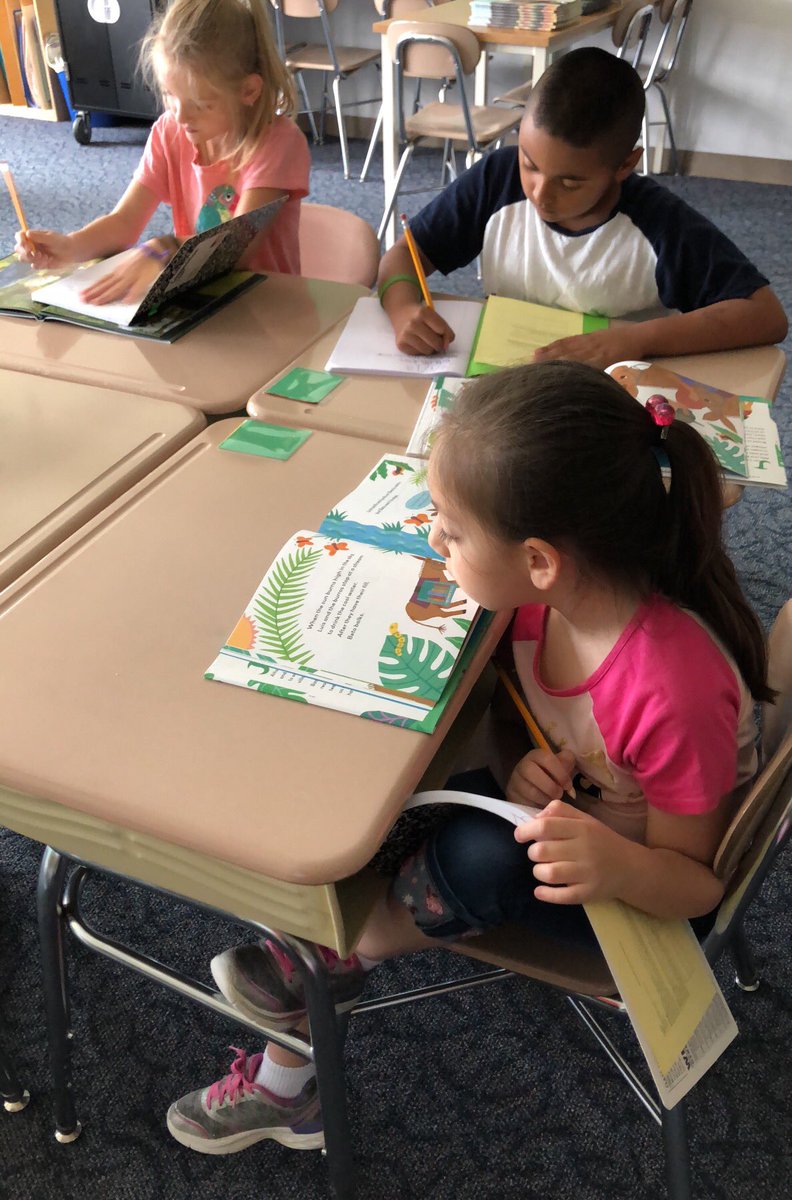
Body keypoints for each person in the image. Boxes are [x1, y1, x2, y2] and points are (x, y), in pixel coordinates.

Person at [166, 360, 774, 1154]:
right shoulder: (544, 603)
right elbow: (548, 724)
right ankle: (310, 1003)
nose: (433, 538)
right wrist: (528, 764)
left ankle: (343, 955)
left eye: (451, 530)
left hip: (635, 898)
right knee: (398, 789)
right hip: (576, 815)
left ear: (540, 560)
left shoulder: (669, 689)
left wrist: (614, 864)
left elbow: (695, 889)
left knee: (479, 852)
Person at [377, 48, 787, 369]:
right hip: (509, 379)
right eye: (530, 164)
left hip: (611, 392)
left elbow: (765, 315)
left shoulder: (658, 223)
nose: (540, 193)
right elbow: (402, 257)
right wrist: (403, 309)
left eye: (570, 181)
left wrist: (636, 339)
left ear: (625, 164)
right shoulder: (497, 180)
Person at [14, 0, 309, 303]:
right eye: (170, 95)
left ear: (248, 90)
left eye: (199, 104)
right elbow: (125, 222)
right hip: (198, 303)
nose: (180, 116)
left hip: (268, 310)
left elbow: (236, 248)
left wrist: (165, 248)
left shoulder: (278, 143)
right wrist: (71, 246)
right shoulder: (171, 131)